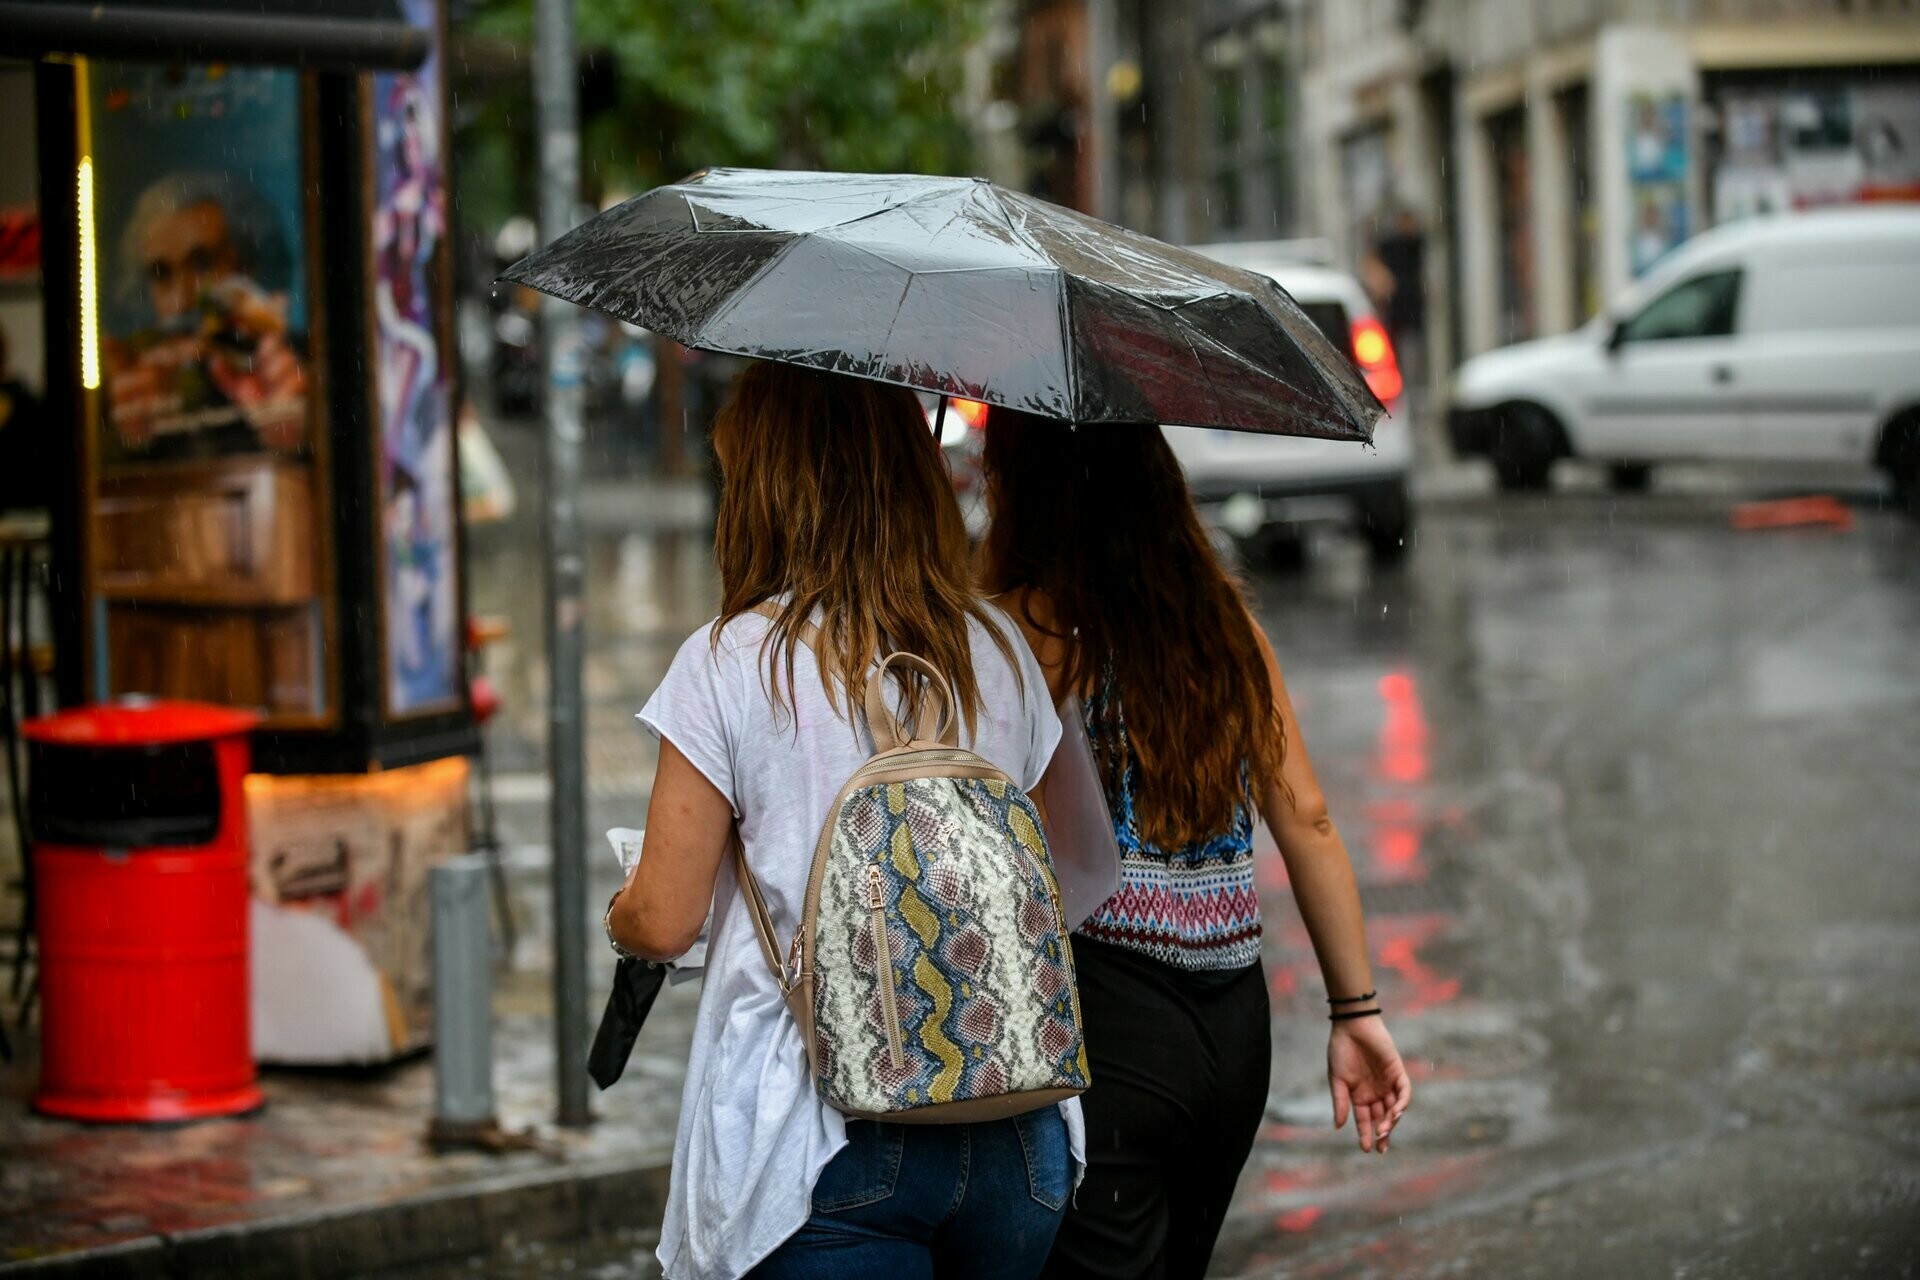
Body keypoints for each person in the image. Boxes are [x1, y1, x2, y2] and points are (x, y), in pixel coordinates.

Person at [606, 362, 1083, 1280]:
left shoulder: (734, 661)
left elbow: (666, 921)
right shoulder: (999, 648)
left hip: (822, 1138)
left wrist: (620, 909)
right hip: (1018, 1125)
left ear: (765, 484)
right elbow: (1062, 872)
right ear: (910, 474)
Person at [978, 415, 1412, 1280]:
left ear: (1024, 485)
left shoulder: (1022, 631)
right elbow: (1309, 822)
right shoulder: (1224, 629)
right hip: (1234, 1033)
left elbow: (982, 837)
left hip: (1110, 1025)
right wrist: (1356, 1012)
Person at [104, 170, 309, 454]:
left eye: (202, 264)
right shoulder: (134, 380)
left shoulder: (299, 364)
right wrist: (130, 438)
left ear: (247, 266)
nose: (182, 298)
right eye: (161, 274)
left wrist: (299, 431)